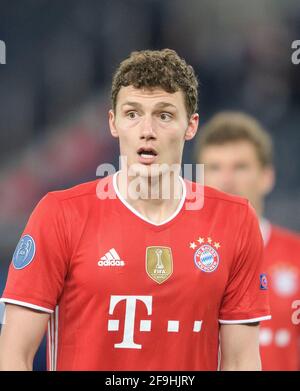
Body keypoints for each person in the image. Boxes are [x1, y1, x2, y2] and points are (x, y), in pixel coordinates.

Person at [0, 49, 270, 371]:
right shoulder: (59, 214)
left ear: (191, 125)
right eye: (132, 114)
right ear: (113, 122)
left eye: (164, 115)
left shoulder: (234, 220)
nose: (147, 130)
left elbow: (241, 361)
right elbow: (14, 354)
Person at [195, 111, 300, 370]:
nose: (226, 180)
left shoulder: (297, 256)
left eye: (240, 167)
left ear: (267, 176)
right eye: (214, 168)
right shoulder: (176, 257)